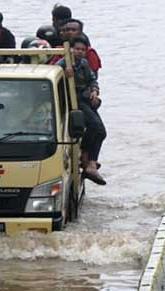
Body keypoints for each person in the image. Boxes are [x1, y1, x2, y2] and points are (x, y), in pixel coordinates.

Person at [56, 36, 106, 185]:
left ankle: (86, 158)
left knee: (99, 131)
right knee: (98, 129)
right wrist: (65, 74)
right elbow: (54, 82)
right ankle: (89, 163)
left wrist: (95, 91)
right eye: (77, 49)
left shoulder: (83, 63)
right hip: (74, 101)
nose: (79, 52)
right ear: (70, 49)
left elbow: (92, 80)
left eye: (83, 50)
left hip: (86, 100)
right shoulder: (62, 64)